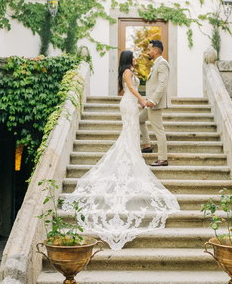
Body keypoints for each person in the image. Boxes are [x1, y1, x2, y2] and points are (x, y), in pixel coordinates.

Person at [64, 50, 180, 251]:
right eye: (133, 56)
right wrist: (142, 99)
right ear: (128, 59)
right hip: (129, 104)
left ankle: (138, 149)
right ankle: (132, 154)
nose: (135, 58)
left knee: (133, 131)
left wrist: (141, 99)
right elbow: (130, 89)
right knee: (129, 132)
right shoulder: (126, 71)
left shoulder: (130, 70)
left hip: (132, 104)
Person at [140, 40, 170, 166]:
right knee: (139, 120)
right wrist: (146, 100)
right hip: (150, 103)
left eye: (149, 49)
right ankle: (147, 145)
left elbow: (162, 84)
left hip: (154, 104)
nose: (148, 52)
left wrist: (153, 100)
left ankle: (163, 159)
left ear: (156, 50)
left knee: (159, 130)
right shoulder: (156, 63)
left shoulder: (162, 64)